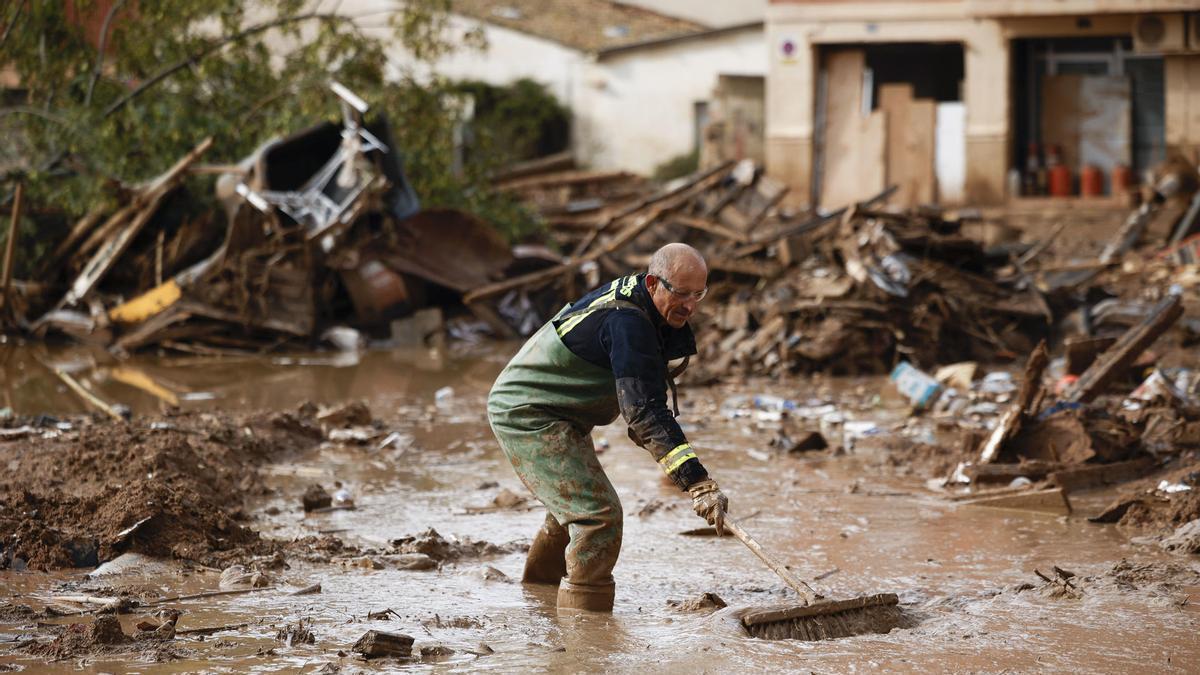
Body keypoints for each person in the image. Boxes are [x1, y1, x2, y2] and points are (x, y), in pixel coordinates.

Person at [487, 243, 728, 613]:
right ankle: (587, 633)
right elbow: (644, 411)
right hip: (529, 412)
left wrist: (676, 465)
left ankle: (538, 598)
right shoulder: (628, 323)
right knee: (598, 516)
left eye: (699, 294)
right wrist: (697, 482)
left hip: (563, 410)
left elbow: (644, 410)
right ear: (653, 283)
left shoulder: (649, 304)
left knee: (569, 509)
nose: (691, 305)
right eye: (681, 293)